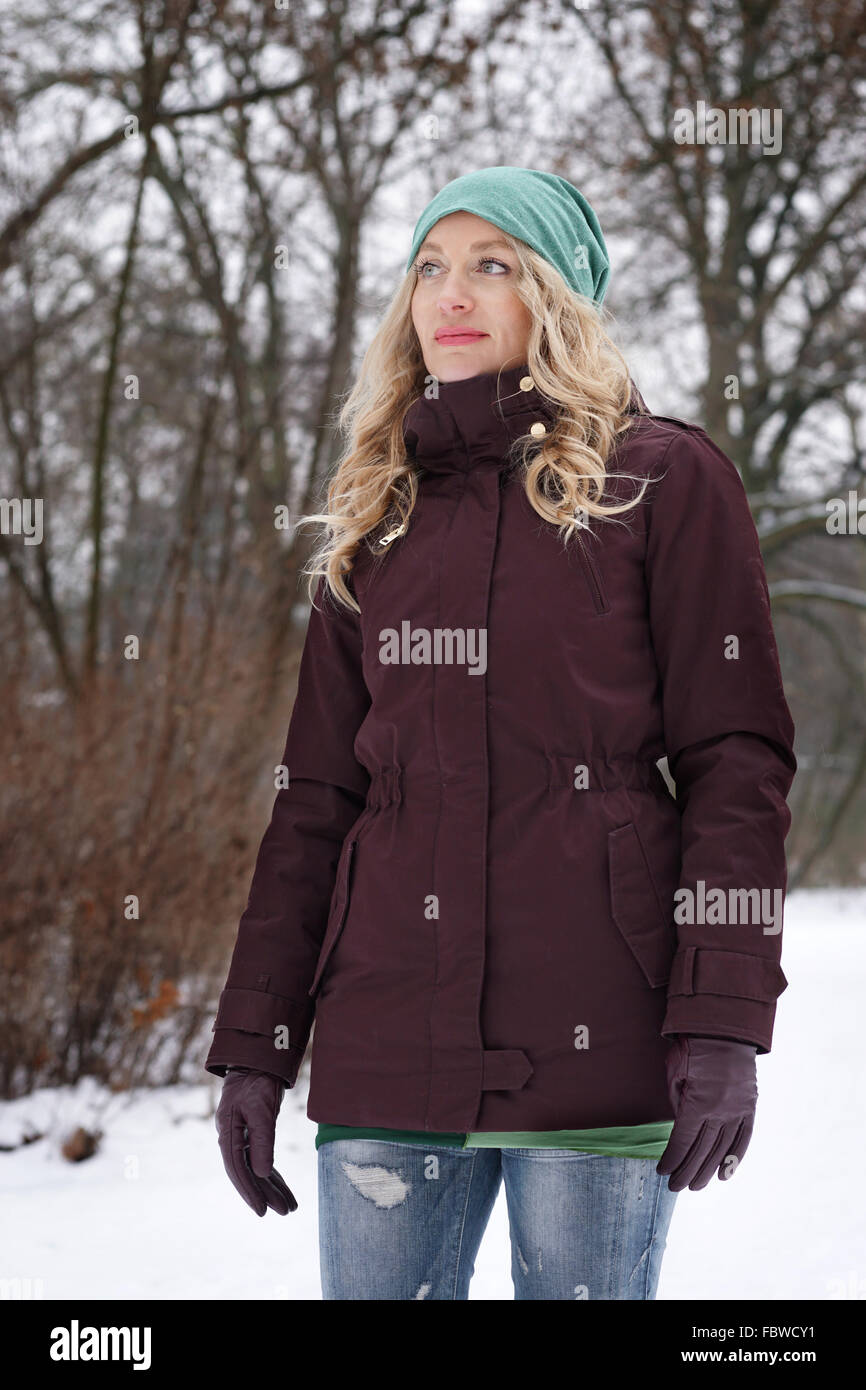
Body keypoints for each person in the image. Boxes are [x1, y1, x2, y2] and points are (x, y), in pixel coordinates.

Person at [205, 166, 797, 1301]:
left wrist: (722, 1022)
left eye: (492, 264)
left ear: (555, 293)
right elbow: (315, 803)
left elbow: (736, 764)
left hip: (600, 1041)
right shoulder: (375, 515)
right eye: (430, 266)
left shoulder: (659, 481)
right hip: (385, 1041)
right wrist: (253, 1045)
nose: (450, 294)